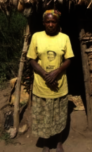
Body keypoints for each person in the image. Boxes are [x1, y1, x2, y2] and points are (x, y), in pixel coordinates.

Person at [27, 9, 74, 152]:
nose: (51, 24)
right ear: (43, 23)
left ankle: (59, 142)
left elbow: (69, 59)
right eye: (48, 21)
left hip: (59, 85)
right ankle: (46, 143)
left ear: (58, 23)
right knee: (44, 117)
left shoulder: (64, 38)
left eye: (53, 21)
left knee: (59, 115)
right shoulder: (36, 36)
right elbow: (31, 59)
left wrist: (57, 72)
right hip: (42, 85)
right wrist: (46, 75)